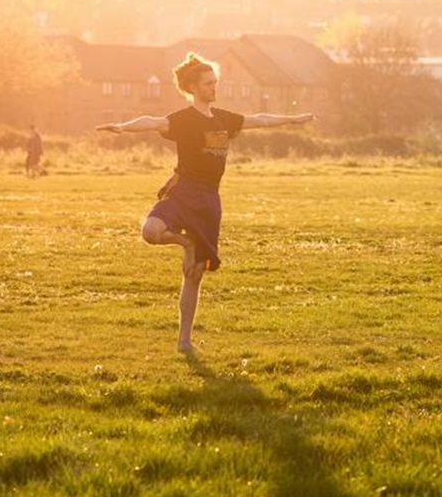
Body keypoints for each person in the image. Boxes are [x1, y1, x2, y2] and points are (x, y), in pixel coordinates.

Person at [96, 52, 315, 355]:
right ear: (193, 87)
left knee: (194, 275)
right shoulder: (182, 120)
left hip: (210, 199)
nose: (214, 87)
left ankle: (184, 341)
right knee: (151, 231)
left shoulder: (224, 118)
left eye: (215, 82)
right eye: (209, 83)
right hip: (184, 190)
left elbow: (260, 120)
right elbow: (152, 121)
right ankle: (186, 243)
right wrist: (122, 126)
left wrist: (293, 119)